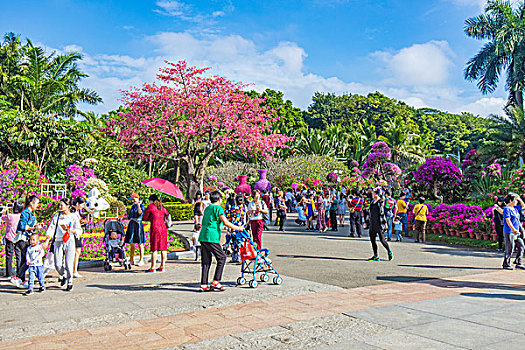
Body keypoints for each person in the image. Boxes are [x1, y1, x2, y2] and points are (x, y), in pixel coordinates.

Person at [198, 191, 244, 292]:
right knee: (222, 257)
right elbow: (225, 222)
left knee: (206, 261)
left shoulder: (207, 208)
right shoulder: (218, 208)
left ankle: (204, 284)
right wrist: (238, 228)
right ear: (219, 199)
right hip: (212, 236)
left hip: (203, 236)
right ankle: (216, 281)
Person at [46, 198, 83, 291]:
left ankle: (70, 281)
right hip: (58, 241)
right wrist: (47, 240)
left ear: (68, 206)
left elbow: (79, 230)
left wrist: (72, 231)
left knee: (69, 263)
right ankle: (63, 274)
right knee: (57, 264)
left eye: (62, 205)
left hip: (69, 240)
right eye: (59, 205)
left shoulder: (73, 217)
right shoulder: (57, 216)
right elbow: (51, 228)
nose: (60, 207)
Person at [11, 195, 41, 289]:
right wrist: (35, 228)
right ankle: (18, 277)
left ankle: (21, 280)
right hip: (22, 239)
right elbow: (23, 227)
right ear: (31, 203)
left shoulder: (30, 213)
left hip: (24, 239)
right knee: (25, 260)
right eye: (36, 203)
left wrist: (36, 225)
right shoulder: (26, 213)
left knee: (22, 260)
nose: (37, 205)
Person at [143, 194, 169, 273]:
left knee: (154, 248)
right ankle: (162, 266)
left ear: (151, 200)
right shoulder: (161, 206)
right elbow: (167, 214)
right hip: (163, 228)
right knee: (163, 248)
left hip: (155, 228)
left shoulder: (150, 206)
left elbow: (145, 217)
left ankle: (153, 267)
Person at [367, 188, 393, 261]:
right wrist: (367, 222)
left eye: (373, 193)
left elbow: (382, 214)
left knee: (382, 240)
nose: (372, 194)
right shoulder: (372, 202)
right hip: (372, 223)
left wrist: (384, 224)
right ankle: (376, 255)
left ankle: (389, 251)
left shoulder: (380, 202)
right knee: (372, 240)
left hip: (379, 223)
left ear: (376, 194)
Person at [502, 193, 525, 270]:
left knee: (521, 246)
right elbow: (508, 220)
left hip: (517, 231)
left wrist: (519, 199)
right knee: (510, 248)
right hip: (509, 231)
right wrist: (513, 229)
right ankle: (506, 263)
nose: (516, 202)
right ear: (511, 200)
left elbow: (523, 206)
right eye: (515, 200)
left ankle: (518, 262)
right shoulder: (506, 209)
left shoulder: (515, 208)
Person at [1, 201, 23, 278]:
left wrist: (4, 211)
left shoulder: (10, 216)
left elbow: (3, 218)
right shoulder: (21, 216)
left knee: (9, 256)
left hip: (9, 238)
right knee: (18, 256)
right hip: (18, 238)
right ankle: (19, 273)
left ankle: (9, 273)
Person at [125, 193, 145, 266]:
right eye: (132, 199)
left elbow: (140, 213)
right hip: (132, 224)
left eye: (134, 199)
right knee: (132, 243)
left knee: (140, 243)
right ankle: (131, 259)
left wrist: (139, 205)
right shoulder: (133, 206)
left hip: (138, 224)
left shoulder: (141, 206)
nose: (133, 200)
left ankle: (141, 260)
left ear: (138, 198)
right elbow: (129, 216)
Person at [225, 194, 247, 263]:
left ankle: (235, 258)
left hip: (233, 227)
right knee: (240, 242)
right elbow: (246, 218)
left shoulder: (232, 209)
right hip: (241, 227)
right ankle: (241, 258)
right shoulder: (243, 208)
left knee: (234, 243)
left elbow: (228, 217)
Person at [71, 197, 86, 278]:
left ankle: (74, 270)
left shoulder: (75, 211)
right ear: (77, 204)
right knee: (76, 252)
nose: (83, 206)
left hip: (76, 233)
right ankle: (74, 270)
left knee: (76, 252)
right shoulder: (72, 211)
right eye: (82, 204)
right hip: (74, 234)